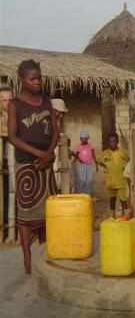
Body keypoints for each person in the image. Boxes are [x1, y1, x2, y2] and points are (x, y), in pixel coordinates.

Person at [8, 60, 58, 274]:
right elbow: (12, 136)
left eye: (39, 77)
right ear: (22, 80)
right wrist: (40, 154)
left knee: (50, 209)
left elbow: (56, 129)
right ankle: (28, 258)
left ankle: (49, 253)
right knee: (26, 213)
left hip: (46, 162)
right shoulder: (15, 105)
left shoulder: (46, 101)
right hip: (27, 164)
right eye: (33, 78)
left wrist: (51, 151)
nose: (38, 82)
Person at [97, 132, 129, 218]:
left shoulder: (122, 152)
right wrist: (106, 167)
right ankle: (112, 215)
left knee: (123, 199)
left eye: (114, 141)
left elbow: (129, 159)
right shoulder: (105, 153)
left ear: (117, 142)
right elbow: (99, 161)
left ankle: (125, 215)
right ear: (108, 143)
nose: (112, 143)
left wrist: (124, 168)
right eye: (111, 142)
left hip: (120, 180)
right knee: (112, 199)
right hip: (110, 181)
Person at [72, 130, 97, 195]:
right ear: (80, 139)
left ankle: (87, 194)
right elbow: (76, 155)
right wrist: (74, 161)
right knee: (81, 179)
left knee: (89, 180)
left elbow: (93, 155)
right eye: (82, 138)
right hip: (81, 165)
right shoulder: (78, 146)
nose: (84, 140)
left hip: (89, 165)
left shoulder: (90, 146)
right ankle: (80, 194)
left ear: (87, 139)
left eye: (85, 138)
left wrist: (96, 164)